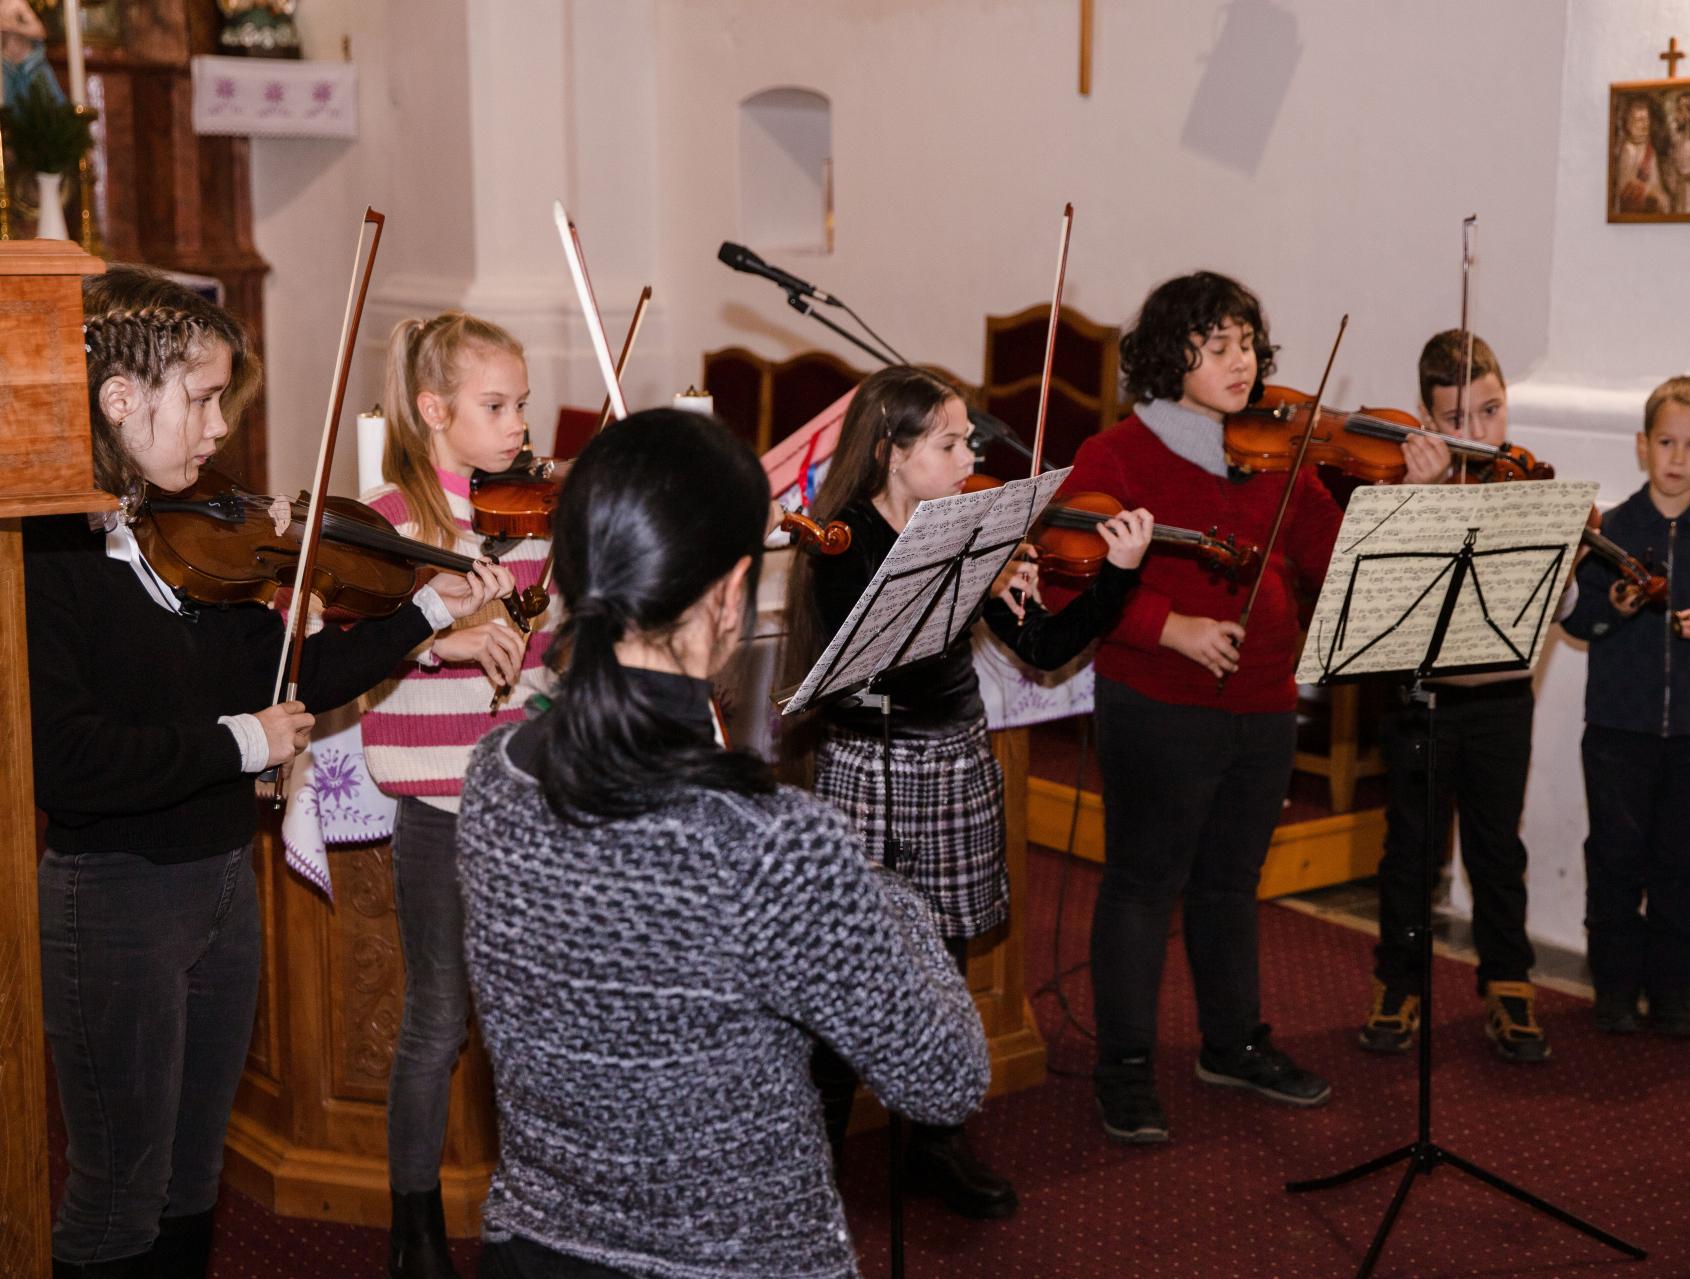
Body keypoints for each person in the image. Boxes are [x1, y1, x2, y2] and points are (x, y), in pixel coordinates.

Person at [28, 266, 518, 1278]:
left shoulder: (184, 538)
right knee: (117, 1191)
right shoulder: (50, 560)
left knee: (193, 1175)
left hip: (220, 880)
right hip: (116, 894)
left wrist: (426, 610)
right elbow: (69, 760)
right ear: (120, 399)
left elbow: (295, 673)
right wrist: (242, 743)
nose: (220, 430)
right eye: (203, 399)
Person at [456, 409, 991, 1278]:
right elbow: (945, 1076)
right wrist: (886, 896)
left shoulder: (496, 772)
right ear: (730, 592)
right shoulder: (772, 846)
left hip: (538, 1251)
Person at [782, 363, 1152, 1212]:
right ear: (891, 450)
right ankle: (812, 1165)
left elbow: (1046, 647)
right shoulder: (842, 537)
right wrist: (963, 580)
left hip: (955, 763)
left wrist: (1119, 572)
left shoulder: (970, 530)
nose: (969, 459)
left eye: (968, 443)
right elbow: (856, 667)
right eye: (949, 444)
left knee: (943, 971)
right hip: (871, 768)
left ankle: (935, 1143)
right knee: (850, 971)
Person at [1049, 271, 1341, 1145]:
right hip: (1158, 703)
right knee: (1143, 885)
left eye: (1248, 343)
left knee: (1230, 884)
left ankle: (1232, 1042)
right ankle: (1125, 1066)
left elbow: (1331, 552)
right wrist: (1169, 627)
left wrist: (1413, 498)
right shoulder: (1119, 455)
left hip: (1264, 699)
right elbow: (1070, 575)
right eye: (1218, 346)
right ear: (1169, 356)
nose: (1241, 361)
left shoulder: (1276, 450)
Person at [357, 311, 560, 1279]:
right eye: (496, 405)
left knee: (535, 1014)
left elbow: (546, 649)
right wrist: (441, 638)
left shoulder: (531, 512)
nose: (518, 424)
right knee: (438, 1020)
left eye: (521, 404)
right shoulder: (393, 520)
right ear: (434, 410)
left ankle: (544, 1203)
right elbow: (331, 639)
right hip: (438, 803)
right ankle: (416, 1224)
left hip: (525, 800)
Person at [1361, 329, 1565, 1065]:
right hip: (1420, 699)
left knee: (1497, 848)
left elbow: (1558, 609)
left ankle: (1508, 980)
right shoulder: (1400, 488)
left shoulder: (1527, 485)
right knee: (1410, 849)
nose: (1477, 431)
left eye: (1491, 410)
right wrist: (1417, 499)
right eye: (1455, 418)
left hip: (1501, 699)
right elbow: (1376, 596)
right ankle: (1399, 981)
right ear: (1425, 418)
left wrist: (1560, 557)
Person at [1561, 375, 1690, 1036]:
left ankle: (1674, 991)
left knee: (1682, 864)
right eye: (1666, 442)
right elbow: (1576, 621)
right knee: (1615, 858)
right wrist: (1614, 608)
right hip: (1617, 729)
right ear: (1641, 445)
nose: (1677, 458)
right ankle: (1615, 988)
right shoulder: (1611, 532)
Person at [1614, 95, 1671, 215]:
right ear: (1629, 123)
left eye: (1647, 119)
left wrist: (1660, 195)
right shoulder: (1628, 150)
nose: (1645, 125)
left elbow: (1656, 183)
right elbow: (1624, 189)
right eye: (1640, 120)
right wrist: (1650, 192)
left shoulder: (1650, 149)